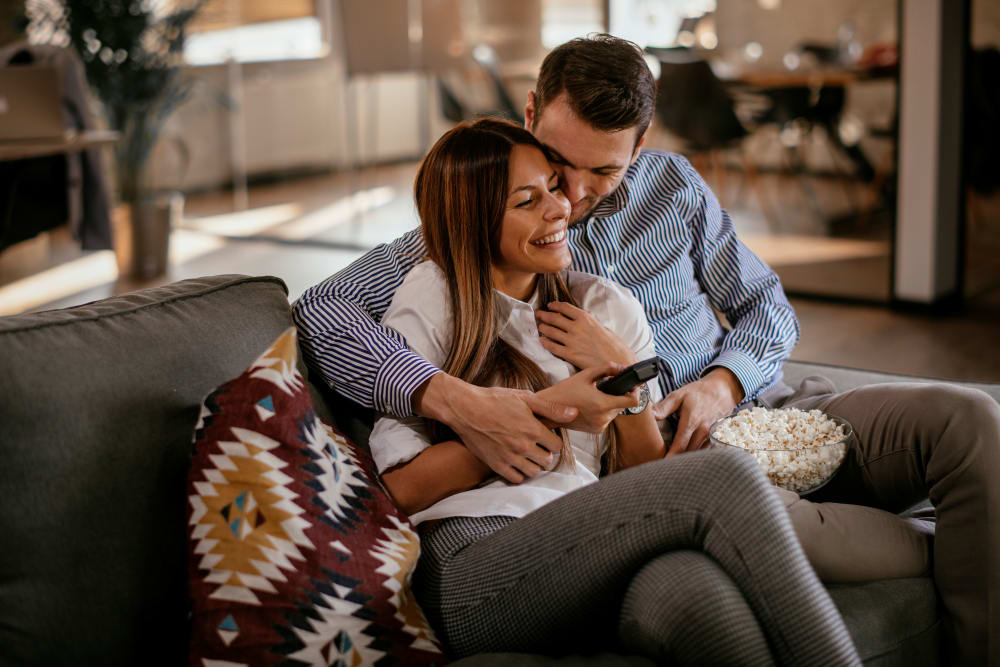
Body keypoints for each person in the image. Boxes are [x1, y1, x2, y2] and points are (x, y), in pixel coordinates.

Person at [294, 35, 1000, 665]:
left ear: (641, 142)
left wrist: (724, 381)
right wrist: (459, 400)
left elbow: (767, 306)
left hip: (749, 414)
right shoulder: (463, 238)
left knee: (971, 420)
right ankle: (957, 544)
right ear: (532, 114)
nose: (569, 196)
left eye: (601, 172)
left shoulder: (673, 192)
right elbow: (320, 308)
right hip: (651, 476)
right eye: (556, 167)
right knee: (711, 543)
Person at [366, 117, 859, 665]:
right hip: (471, 561)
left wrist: (624, 376)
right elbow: (404, 489)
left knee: (692, 592)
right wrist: (549, 413)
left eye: (553, 188)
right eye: (527, 201)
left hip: (584, 537)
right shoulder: (434, 298)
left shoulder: (605, 307)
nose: (560, 209)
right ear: (474, 221)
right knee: (727, 475)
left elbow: (641, 472)